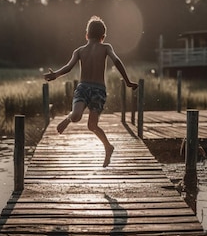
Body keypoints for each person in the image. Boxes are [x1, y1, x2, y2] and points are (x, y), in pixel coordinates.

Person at [44, 16, 138, 167]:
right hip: (85, 88)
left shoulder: (97, 48)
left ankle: (108, 146)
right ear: (103, 36)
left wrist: (55, 74)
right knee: (76, 116)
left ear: (86, 35)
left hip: (97, 90)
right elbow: (70, 66)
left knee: (91, 125)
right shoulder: (86, 50)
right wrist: (127, 81)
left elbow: (68, 67)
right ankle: (68, 120)